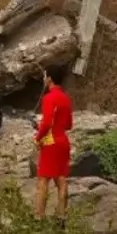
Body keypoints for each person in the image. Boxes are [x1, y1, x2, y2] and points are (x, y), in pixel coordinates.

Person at [33, 68, 73, 219]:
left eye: (44, 76)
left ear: (49, 79)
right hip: (63, 141)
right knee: (61, 179)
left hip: (51, 142)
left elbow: (48, 123)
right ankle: (62, 215)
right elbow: (69, 125)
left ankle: (39, 216)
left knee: (43, 180)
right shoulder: (65, 98)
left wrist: (38, 137)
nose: (44, 79)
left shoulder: (49, 98)